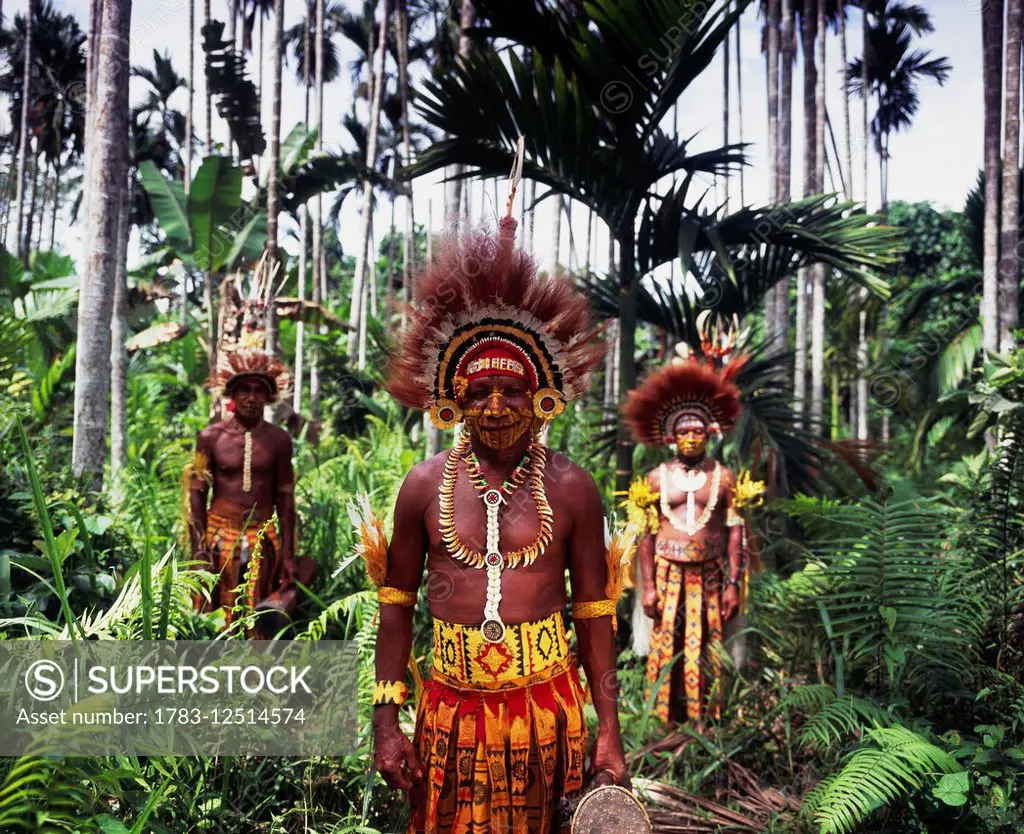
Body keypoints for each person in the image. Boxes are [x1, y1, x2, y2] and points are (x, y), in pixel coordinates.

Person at [371, 211, 629, 834]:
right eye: (479, 389)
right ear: (452, 398)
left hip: (548, 712)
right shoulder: (423, 487)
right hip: (448, 714)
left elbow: (594, 613)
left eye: (511, 390)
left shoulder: (571, 489)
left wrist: (610, 733)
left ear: (541, 395)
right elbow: (397, 606)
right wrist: (385, 724)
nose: (494, 406)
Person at [622, 352, 747, 727]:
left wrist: (733, 584)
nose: (691, 439)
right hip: (666, 573)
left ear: (709, 434)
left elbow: (736, 530)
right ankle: (663, 722)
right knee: (666, 645)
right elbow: (645, 532)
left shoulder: (724, 478)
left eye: (698, 432)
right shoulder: (655, 479)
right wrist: (647, 589)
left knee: (706, 645)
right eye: (684, 432)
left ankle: (706, 720)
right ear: (671, 437)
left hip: (710, 575)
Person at [187, 347, 297, 629]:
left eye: (259, 391)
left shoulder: (279, 440)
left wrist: (287, 554)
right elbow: (197, 494)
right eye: (244, 390)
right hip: (218, 532)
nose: (251, 397)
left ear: (269, 396)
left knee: (258, 607)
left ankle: (254, 663)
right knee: (212, 605)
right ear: (231, 394)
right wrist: (199, 550)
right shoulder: (210, 437)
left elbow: (285, 500)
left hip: (263, 535)